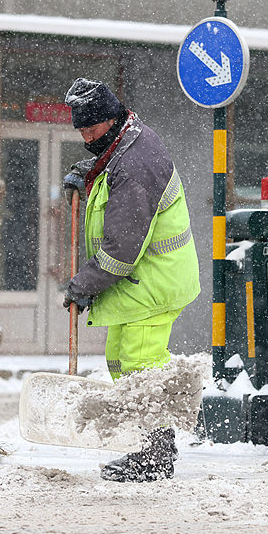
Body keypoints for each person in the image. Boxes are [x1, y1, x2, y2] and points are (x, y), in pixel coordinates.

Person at [61, 78, 201, 482]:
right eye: (81, 132)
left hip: (154, 282)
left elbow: (121, 249)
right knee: (121, 359)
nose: (87, 138)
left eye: (91, 130)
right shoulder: (124, 140)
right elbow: (107, 163)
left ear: (111, 119)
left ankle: (157, 456)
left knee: (142, 365)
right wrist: (84, 172)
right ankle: (146, 444)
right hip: (140, 282)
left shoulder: (135, 165)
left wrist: (83, 284)